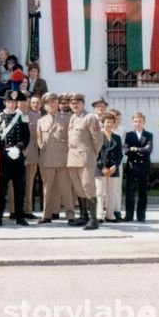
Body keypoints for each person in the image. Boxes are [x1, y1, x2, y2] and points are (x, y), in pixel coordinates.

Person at [0, 90, 30, 226]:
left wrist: (18, 148)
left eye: (14, 102)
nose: (11, 104)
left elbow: (26, 137)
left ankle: (20, 216)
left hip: (18, 157)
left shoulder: (22, 117)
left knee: (19, 187)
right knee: (1, 188)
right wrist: (5, 149)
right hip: (3, 157)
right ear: (5, 102)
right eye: (9, 102)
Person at [66, 93, 104, 230]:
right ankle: (83, 216)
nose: (74, 105)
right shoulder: (72, 117)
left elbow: (98, 140)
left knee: (88, 186)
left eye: (77, 103)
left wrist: (93, 153)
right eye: (72, 103)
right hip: (72, 157)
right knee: (78, 187)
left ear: (83, 103)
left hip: (86, 156)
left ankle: (94, 220)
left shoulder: (90, 117)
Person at [36, 93, 73, 223]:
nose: (51, 105)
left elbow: (71, 138)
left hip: (63, 159)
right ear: (45, 106)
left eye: (53, 102)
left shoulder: (67, 118)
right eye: (48, 103)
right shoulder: (41, 121)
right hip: (46, 159)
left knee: (66, 189)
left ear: (58, 104)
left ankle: (70, 216)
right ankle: (46, 215)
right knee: (47, 189)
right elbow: (39, 139)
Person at [123, 112, 153, 222]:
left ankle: (141, 216)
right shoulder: (129, 135)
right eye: (135, 121)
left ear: (144, 122)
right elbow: (126, 151)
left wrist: (135, 149)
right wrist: (140, 150)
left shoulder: (149, 135)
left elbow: (148, 150)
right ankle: (129, 216)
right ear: (132, 122)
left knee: (143, 193)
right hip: (131, 167)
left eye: (140, 121)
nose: (138, 123)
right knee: (130, 192)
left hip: (144, 167)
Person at [96, 112, 123, 222]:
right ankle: (99, 215)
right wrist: (102, 167)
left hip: (113, 169)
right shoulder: (98, 136)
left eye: (111, 122)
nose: (109, 124)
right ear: (103, 123)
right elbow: (95, 153)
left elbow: (119, 154)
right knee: (100, 193)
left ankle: (110, 215)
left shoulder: (117, 137)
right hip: (100, 168)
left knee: (112, 193)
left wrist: (115, 166)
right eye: (107, 122)